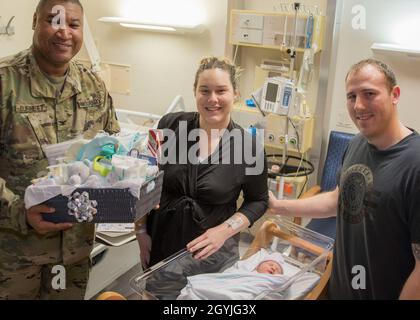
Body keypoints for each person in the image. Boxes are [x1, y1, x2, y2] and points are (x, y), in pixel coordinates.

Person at [268, 59, 420, 299]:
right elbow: (339, 200)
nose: (359, 105)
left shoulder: (415, 164)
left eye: (369, 94)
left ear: (395, 94)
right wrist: (278, 206)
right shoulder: (358, 143)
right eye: (351, 96)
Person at [0, 0, 120, 299]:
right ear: (35, 21)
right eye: (53, 21)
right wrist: (19, 212)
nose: (63, 32)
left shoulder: (93, 85)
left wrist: (134, 187)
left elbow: (114, 151)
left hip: (74, 254)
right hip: (12, 255)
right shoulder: (5, 83)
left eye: (74, 24)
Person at [136, 56, 268, 269]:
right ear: (195, 91)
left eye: (221, 91)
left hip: (213, 255)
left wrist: (223, 231)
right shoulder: (168, 124)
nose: (212, 99)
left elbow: (259, 201)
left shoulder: (250, 148)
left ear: (235, 94)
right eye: (205, 90)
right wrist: (140, 232)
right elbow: (144, 176)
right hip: (161, 246)